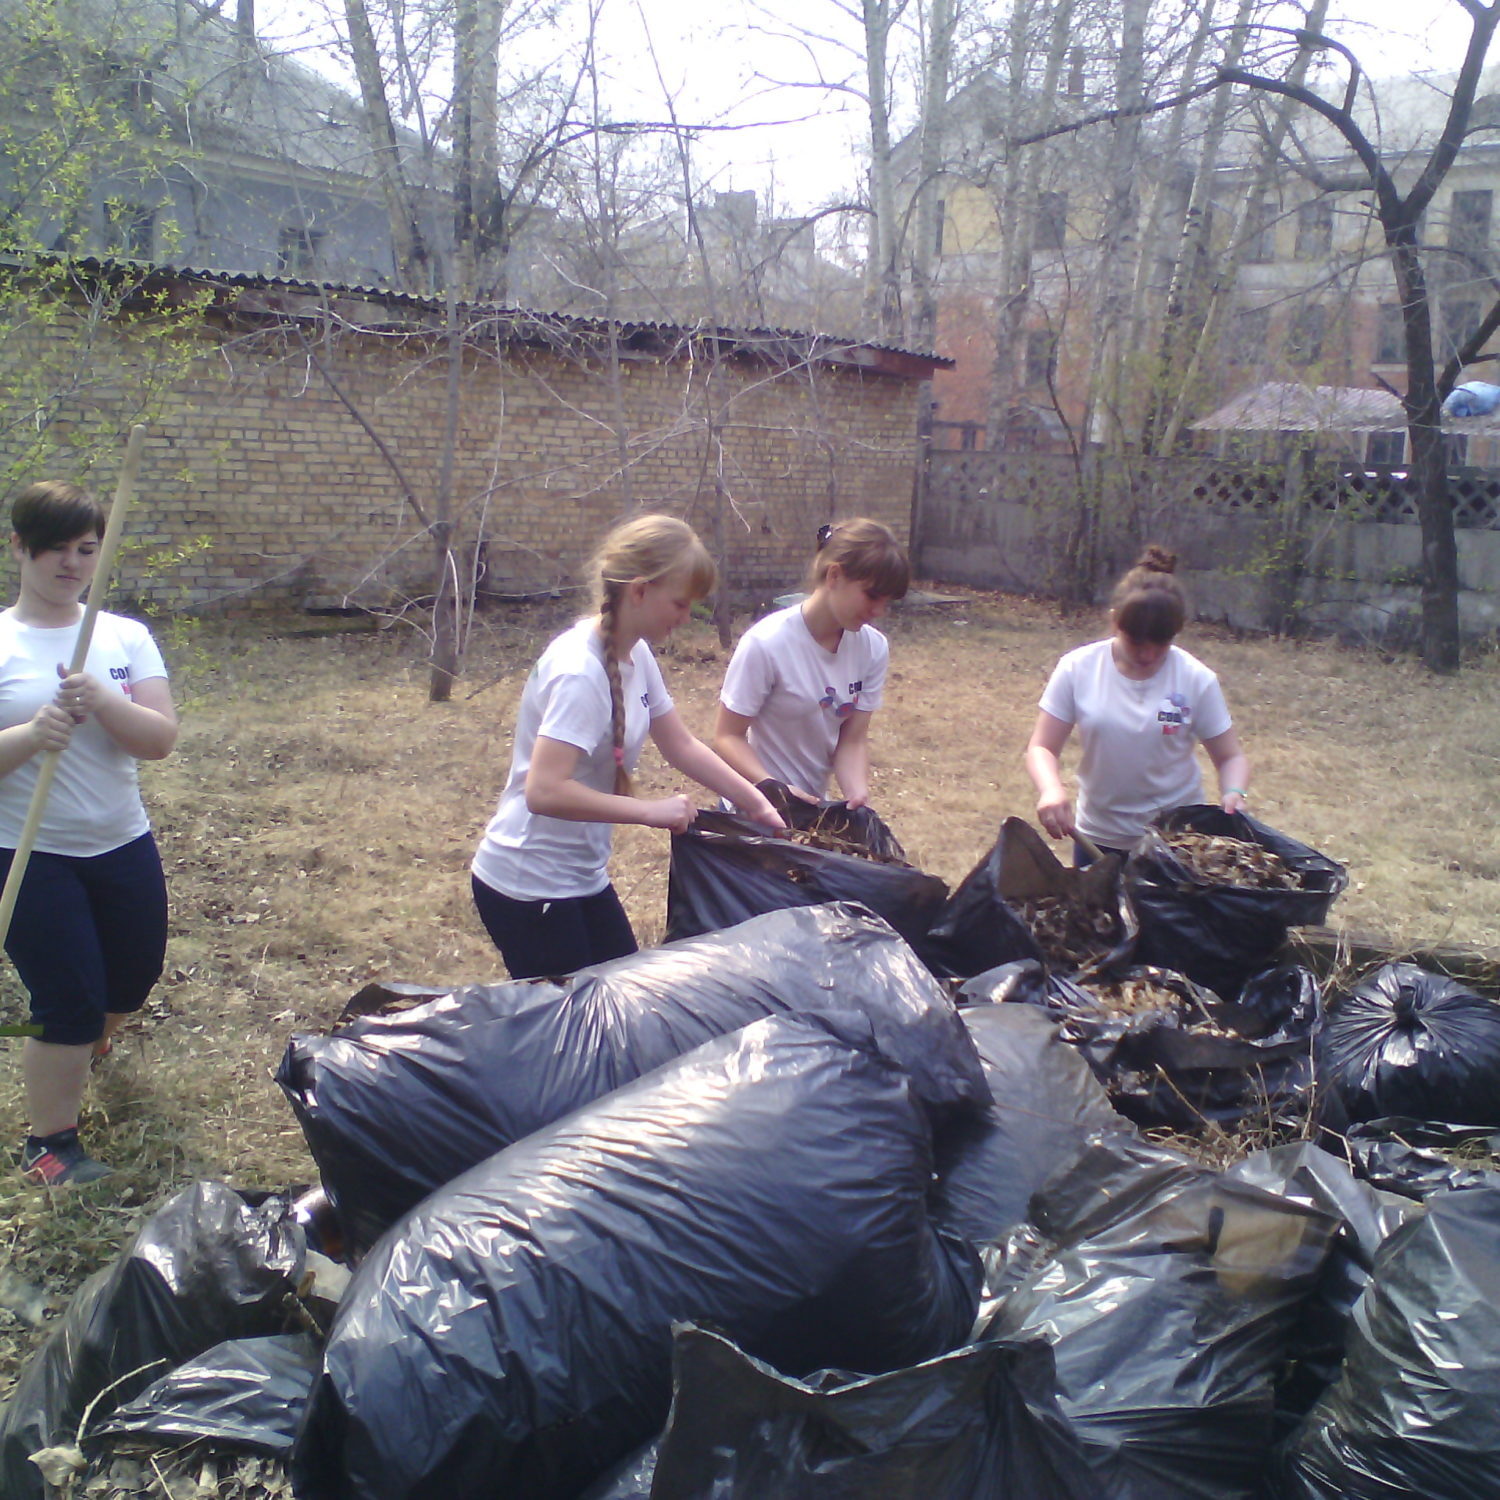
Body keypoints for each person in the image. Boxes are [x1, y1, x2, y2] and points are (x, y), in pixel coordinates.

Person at [471, 513, 785, 980]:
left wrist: (757, 802)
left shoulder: (634, 653)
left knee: (626, 993)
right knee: (579, 1019)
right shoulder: (580, 672)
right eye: (679, 603)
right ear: (639, 591)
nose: (686, 617)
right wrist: (648, 811)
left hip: (581, 876)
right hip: (528, 884)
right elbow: (544, 791)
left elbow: (680, 744)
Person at [1, 480, 179, 1186]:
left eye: (85, 548)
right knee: (67, 1000)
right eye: (55, 549)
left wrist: (103, 698)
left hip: (121, 840)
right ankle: (49, 1147)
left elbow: (158, 740)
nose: (72, 564)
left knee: (132, 979)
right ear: (19, 548)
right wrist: (30, 735)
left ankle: (86, 1046)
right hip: (26, 850)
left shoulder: (123, 636)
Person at [1025, 545, 1250, 859]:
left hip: (1176, 844)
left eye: (1161, 644)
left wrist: (1234, 791)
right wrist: (1051, 789)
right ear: (1115, 622)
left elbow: (1230, 757)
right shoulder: (1078, 668)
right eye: (1136, 642)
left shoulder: (1196, 679)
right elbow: (1042, 747)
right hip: (1098, 837)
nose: (1148, 655)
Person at [714, 517, 909, 808]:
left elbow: (851, 741)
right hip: (753, 808)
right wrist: (775, 790)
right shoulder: (766, 643)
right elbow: (727, 737)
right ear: (834, 576)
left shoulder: (873, 648)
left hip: (812, 811)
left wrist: (856, 795)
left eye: (887, 601)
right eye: (872, 596)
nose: (879, 610)